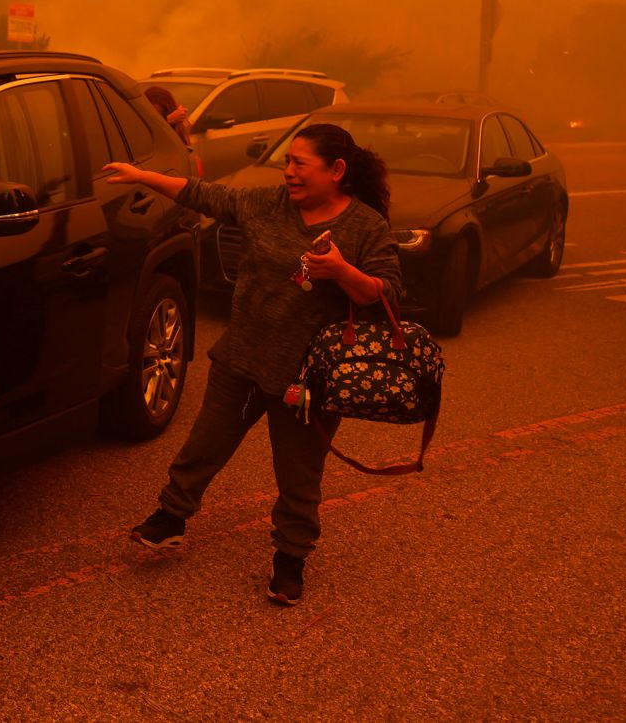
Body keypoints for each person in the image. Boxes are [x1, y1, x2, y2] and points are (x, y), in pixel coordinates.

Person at [101, 122, 401, 605]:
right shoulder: (267, 205)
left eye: (300, 163)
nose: (289, 172)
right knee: (204, 446)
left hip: (309, 381)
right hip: (242, 358)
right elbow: (206, 195)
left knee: (299, 476)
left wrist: (341, 271)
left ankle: (290, 560)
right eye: (287, 162)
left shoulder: (365, 227)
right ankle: (170, 519)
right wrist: (143, 176)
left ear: (337, 170)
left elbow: (389, 295)